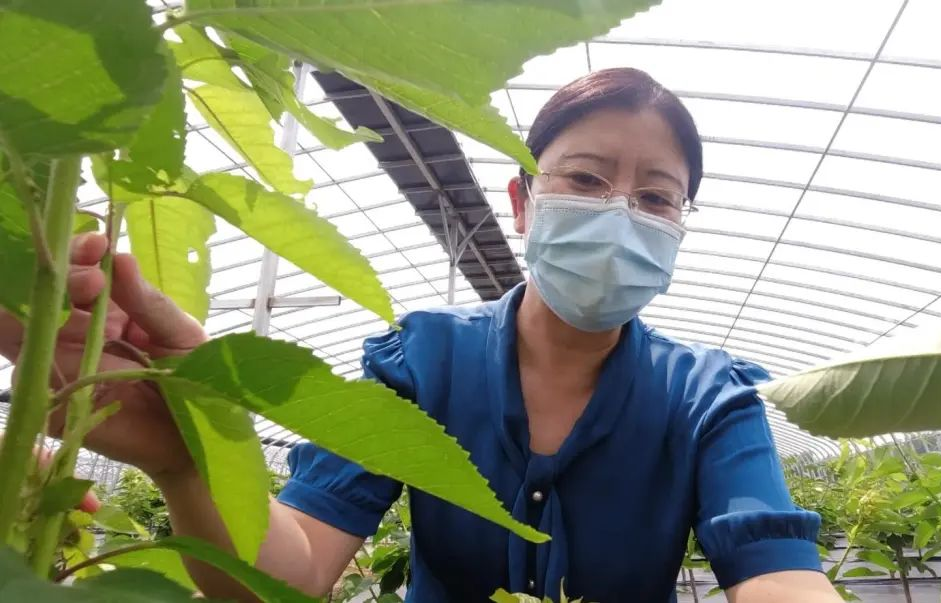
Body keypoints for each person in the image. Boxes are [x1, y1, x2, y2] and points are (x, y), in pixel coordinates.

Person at [0, 68, 840, 602]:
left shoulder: (710, 397)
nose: (621, 214)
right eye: (586, 179)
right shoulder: (424, 360)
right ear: (523, 202)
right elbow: (295, 569)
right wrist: (191, 454)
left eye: (656, 197)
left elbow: (777, 572)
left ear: (680, 225)